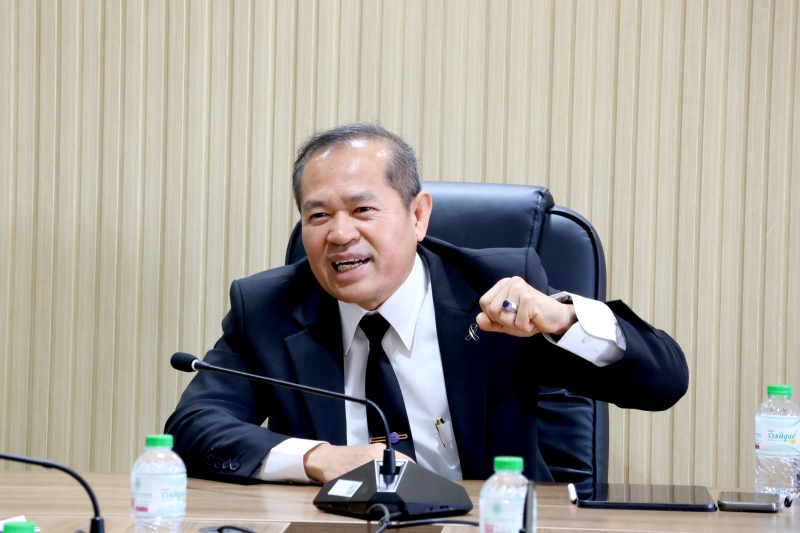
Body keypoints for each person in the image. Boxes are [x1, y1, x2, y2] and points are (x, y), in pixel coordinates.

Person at [165, 123, 688, 484]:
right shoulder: (269, 308)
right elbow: (192, 426)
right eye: (318, 215)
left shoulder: (496, 295)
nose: (340, 234)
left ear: (418, 216)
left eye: (362, 209)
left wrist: (563, 319)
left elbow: (663, 382)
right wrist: (319, 458)